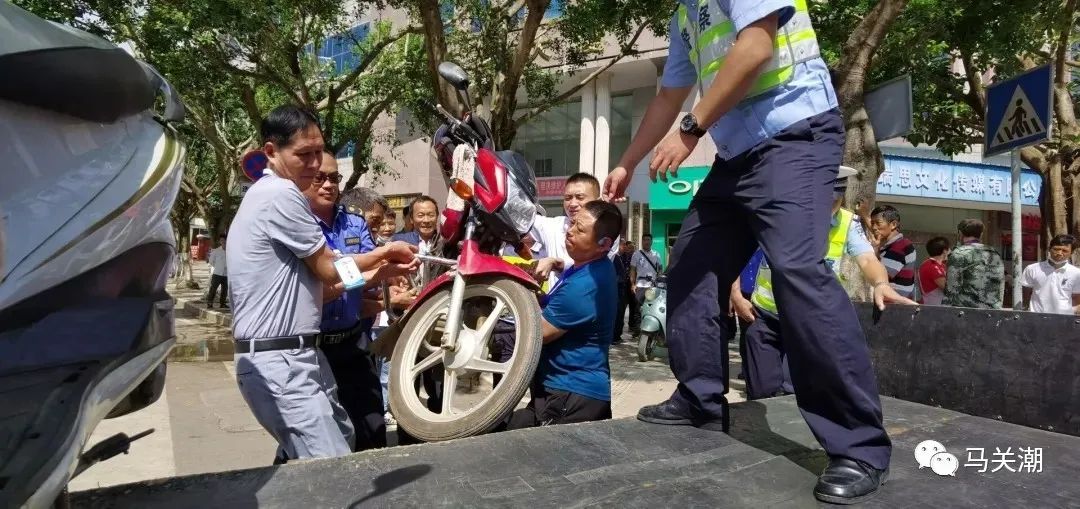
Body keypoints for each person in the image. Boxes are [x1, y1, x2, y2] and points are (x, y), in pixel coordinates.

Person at [601, 1, 892, 501]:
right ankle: (700, 399)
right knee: (690, 266)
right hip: (737, 155)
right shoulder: (684, 16)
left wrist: (691, 130)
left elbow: (756, 46)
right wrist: (627, 163)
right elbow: (668, 96)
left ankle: (859, 446)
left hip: (795, 135)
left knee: (796, 270)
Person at [228, 104, 417, 462]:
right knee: (330, 469)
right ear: (271, 151)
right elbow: (330, 270)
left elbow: (323, 282)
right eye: (305, 155)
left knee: (339, 443)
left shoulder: (275, 196)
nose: (316, 166)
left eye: (319, 153)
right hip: (282, 360)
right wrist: (384, 253)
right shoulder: (281, 195)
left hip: (305, 356)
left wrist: (375, 274)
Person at [733, 167, 916, 400]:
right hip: (764, 317)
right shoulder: (776, 212)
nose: (826, 208)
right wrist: (735, 294)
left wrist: (881, 283)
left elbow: (868, 259)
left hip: (809, 321)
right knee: (761, 391)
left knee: (796, 393)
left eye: (834, 202)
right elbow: (735, 251)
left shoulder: (848, 223)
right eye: (820, 200)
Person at [508, 201, 621, 429]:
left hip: (570, 395)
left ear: (604, 244)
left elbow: (537, 333)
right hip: (563, 389)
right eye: (572, 223)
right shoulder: (591, 267)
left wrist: (524, 287)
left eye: (580, 229)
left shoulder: (585, 286)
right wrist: (552, 266)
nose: (570, 231)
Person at [301, 152, 387, 452]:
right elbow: (321, 284)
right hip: (313, 349)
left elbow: (372, 268)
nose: (328, 185)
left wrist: (376, 275)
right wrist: (363, 273)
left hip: (354, 342)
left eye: (334, 178)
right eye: (319, 178)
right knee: (316, 438)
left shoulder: (354, 222)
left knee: (373, 429)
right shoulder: (298, 225)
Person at [532, 173, 620, 287]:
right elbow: (524, 219)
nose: (572, 204)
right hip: (557, 296)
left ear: (597, 201)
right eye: (567, 198)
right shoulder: (554, 225)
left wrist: (556, 264)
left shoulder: (605, 230)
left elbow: (589, 267)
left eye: (580, 197)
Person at [944, 219, 1004, 309]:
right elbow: (1001, 285)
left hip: (966, 311)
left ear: (960, 233)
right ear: (981, 234)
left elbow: (952, 288)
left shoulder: (959, 254)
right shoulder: (994, 254)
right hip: (992, 310)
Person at [1021, 234, 1080, 314]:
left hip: (1064, 318)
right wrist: (1025, 312)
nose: (1059, 253)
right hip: (1036, 317)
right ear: (1049, 249)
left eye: (1064, 251)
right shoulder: (1032, 269)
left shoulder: (1076, 273)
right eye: (1056, 249)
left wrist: (1071, 314)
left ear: (1071, 252)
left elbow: (1076, 299)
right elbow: (1025, 293)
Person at [870, 205, 916, 300]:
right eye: (872, 223)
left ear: (893, 224)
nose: (874, 227)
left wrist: (875, 248)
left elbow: (879, 275)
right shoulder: (890, 246)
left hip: (893, 304)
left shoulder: (901, 245)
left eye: (878, 223)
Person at [630, 234, 664, 304]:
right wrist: (633, 284)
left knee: (651, 308)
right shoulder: (636, 254)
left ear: (651, 242)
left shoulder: (656, 254)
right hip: (640, 286)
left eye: (648, 240)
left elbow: (660, 269)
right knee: (638, 308)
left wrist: (658, 281)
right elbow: (632, 270)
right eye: (644, 240)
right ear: (642, 241)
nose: (646, 242)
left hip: (652, 286)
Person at [918, 237, 951, 306]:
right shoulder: (931, 265)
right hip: (933, 306)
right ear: (945, 251)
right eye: (949, 249)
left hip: (939, 305)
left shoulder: (941, 265)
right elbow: (947, 287)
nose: (950, 251)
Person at [613, 240, 634, 342]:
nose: (625, 247)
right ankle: (615, 336)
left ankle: (617, 335)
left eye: (625, 245)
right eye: (623, 245)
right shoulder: (614, 257)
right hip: (617, 287)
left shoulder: (624, 257)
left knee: (621, 312)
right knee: (618, 311)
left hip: (623, 287)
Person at [206, 234, 228, 309]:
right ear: (220, 242)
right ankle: (210, 303)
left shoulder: (231, 251)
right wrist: (218, 266)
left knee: (225, 290)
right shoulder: (216, 251)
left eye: (224, 240)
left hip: (226, 274)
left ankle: (222, 303)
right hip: (217, 273)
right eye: (221, 240)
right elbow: (211, 261)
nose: (223, 242)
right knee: (213, 289)